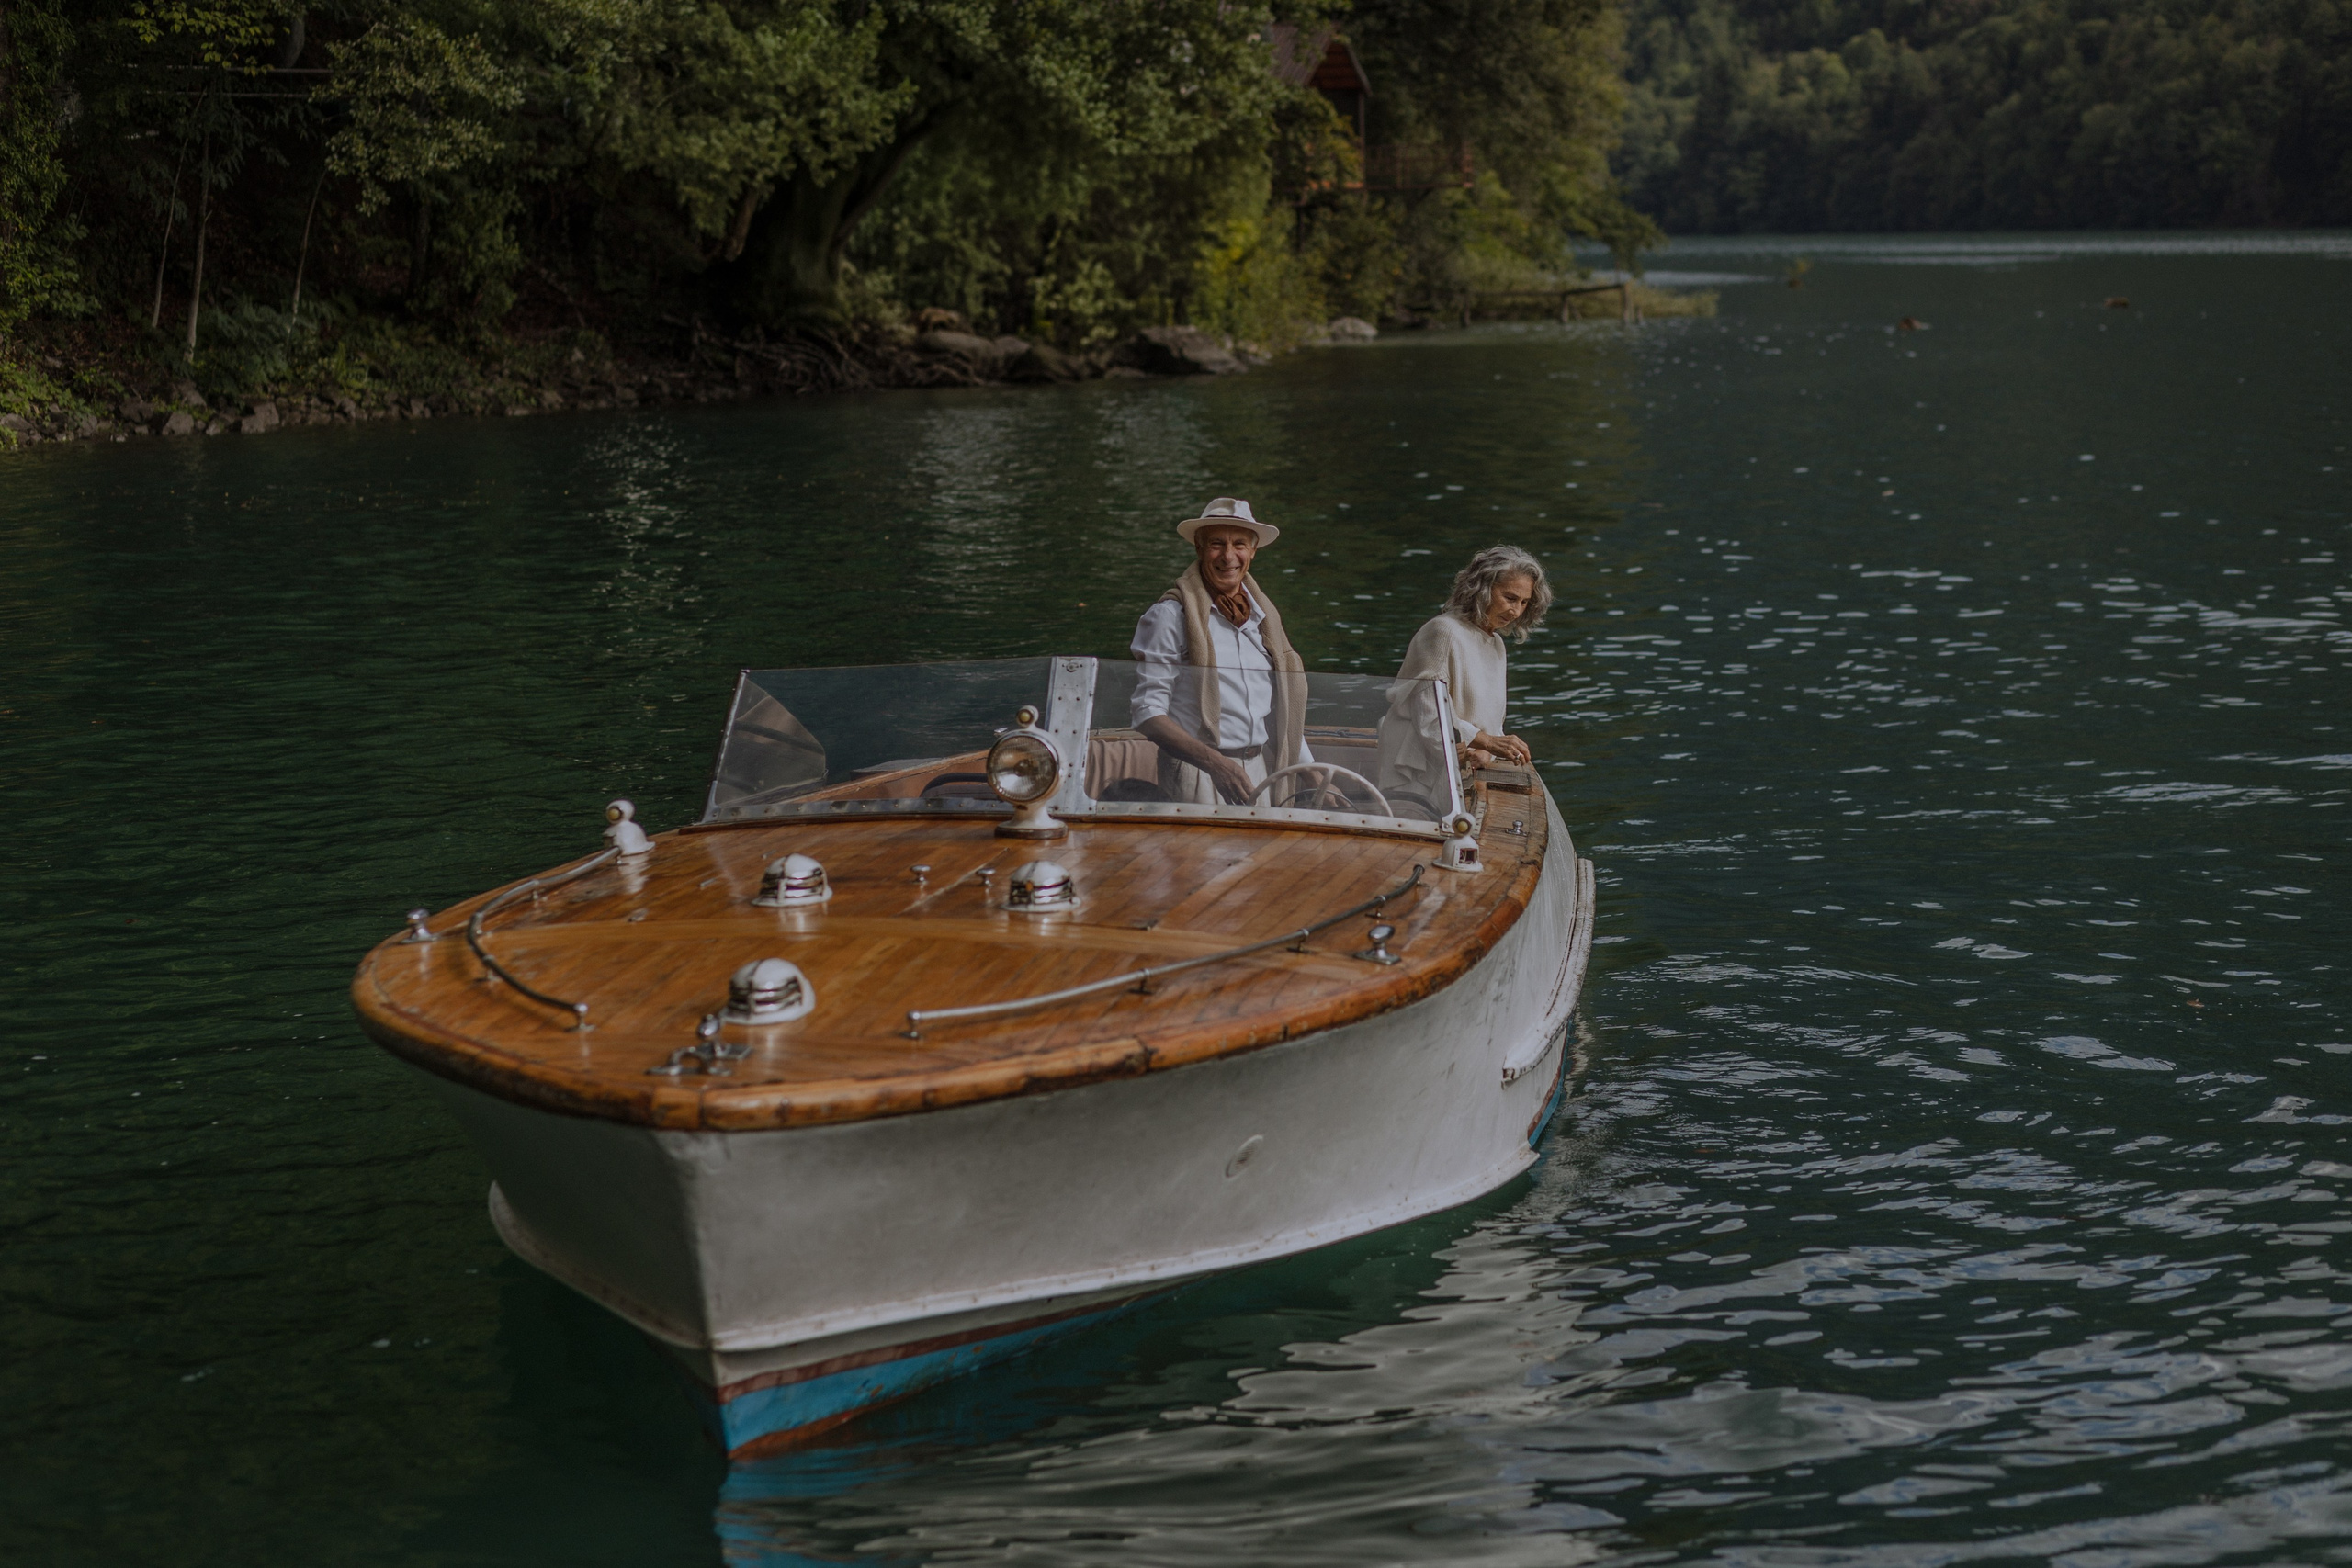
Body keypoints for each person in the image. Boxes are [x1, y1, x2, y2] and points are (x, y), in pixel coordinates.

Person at [1129, 497, 1311, 805]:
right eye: (1217, 543)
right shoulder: (1171, 616)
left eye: (1240, 544)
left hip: (1258, 771)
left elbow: (1280, 712)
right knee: (1200, 854)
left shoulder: (1264, 617)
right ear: (1199, 549)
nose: (1229, 556)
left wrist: (1315, 776)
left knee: (1257, 855)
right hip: (1197, 772)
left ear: (1253, 551)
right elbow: (1147, 713)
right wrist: (1215, 764)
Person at [1378, 545, 1551, 811]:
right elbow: (1428, 713)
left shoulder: (1496, 645)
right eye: (1509, 597)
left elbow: (1489, 722)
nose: (1516, 611)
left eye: (1524, 602)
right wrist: (1487, 741)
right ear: (1483, 589)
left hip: (1459, 768)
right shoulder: (1443, 631)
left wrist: (1487, 750)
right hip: (1416, 772)